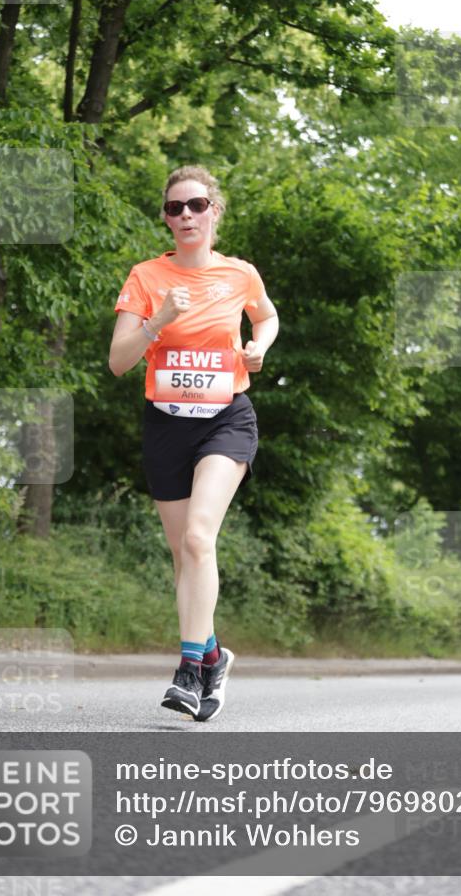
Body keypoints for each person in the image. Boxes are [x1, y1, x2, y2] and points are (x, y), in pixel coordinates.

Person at [109, 165, 278, 721]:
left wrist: (258, 346)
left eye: (197, 205)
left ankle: (188, 670)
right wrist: (159, 319)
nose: (186, 215)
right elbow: (118, 362)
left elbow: (267, 317)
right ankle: (213, 656)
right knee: (183, 555)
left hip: (225, 419)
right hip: (165, 423)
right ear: (165, 217)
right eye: (175, 208)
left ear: (214, 211)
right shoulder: (146, 276)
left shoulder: (240, 274)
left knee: (200, 538)